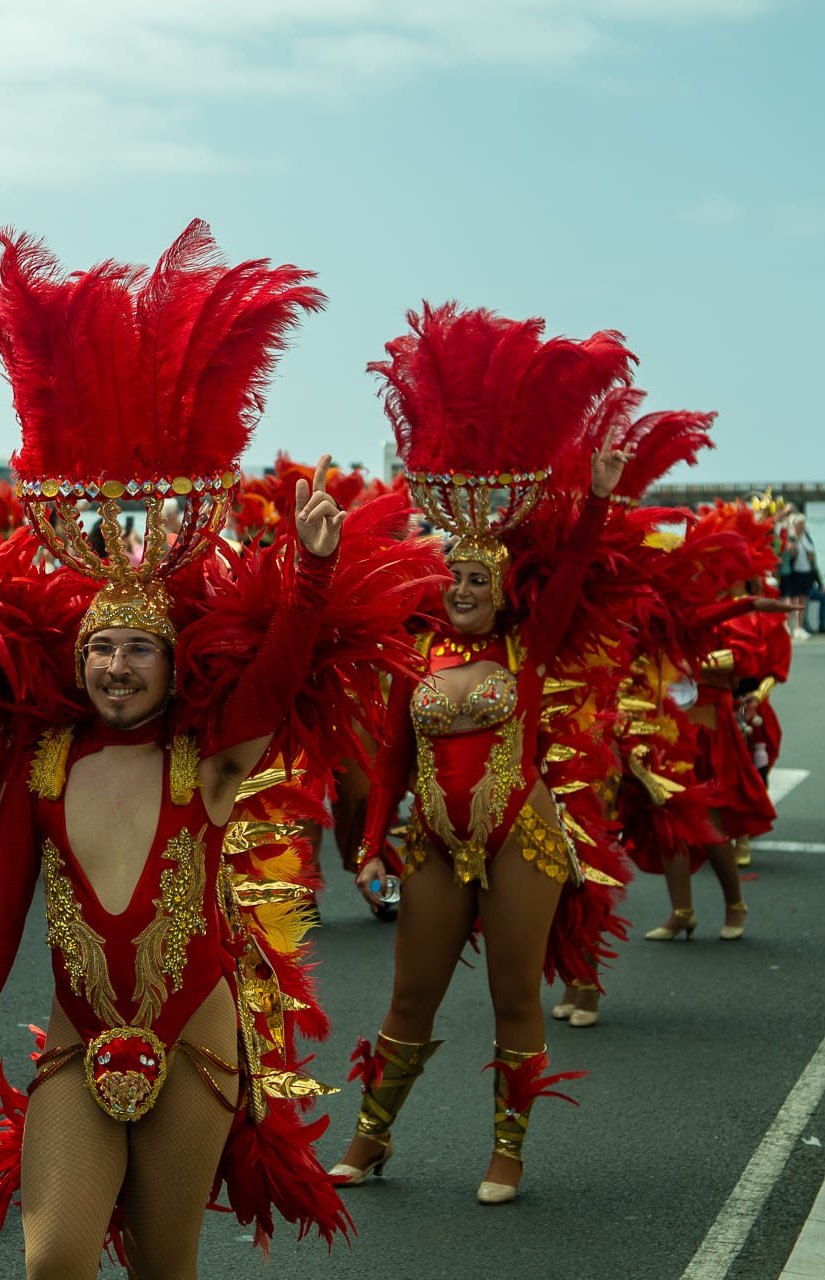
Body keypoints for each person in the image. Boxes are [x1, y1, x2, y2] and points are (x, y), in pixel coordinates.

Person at [0, 223, 402, 1271]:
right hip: (76, 1039)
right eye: (101, 650)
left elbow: (274, 681)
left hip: (195, 1039)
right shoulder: (46, 765)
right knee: (55, 1259)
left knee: (163, 1263)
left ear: (173, 665)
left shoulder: (210, 765)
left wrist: (312, 574)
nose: (117, 668)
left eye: (139, 650)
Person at [336, 303, 638, 1206]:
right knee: (410, 996)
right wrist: (371, 842)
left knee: (513, 999)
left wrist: (599, 499)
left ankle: (507, 1154)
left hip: (521, 838)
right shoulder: (416, 656)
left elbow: (574, 573)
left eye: (478, 580)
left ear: (504, 593)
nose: (463, 590)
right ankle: (370, 1138)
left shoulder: (526, 648)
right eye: (452, 579)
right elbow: (391, 759)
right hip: (433, 839)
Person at [779, 512, 816, 640]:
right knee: (792, 600)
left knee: (802, 599)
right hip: (795, 572)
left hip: (805, 571)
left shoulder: (806, 537)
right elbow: (789, 554)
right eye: (800, 524)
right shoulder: (791, 537)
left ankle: (799, 627)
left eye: (803, 524)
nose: (802, 526)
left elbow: (812, 554)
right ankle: (787, 625)